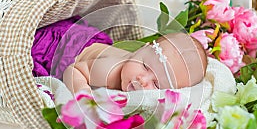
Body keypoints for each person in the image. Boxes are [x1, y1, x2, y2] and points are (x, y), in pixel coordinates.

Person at [63, 32, 208, 94]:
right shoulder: (108, 71)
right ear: (142, 48)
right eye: (145, 66)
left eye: (157, 85)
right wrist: (82, 92)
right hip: (69, 45)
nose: (142, 79)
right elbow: (74, 70)